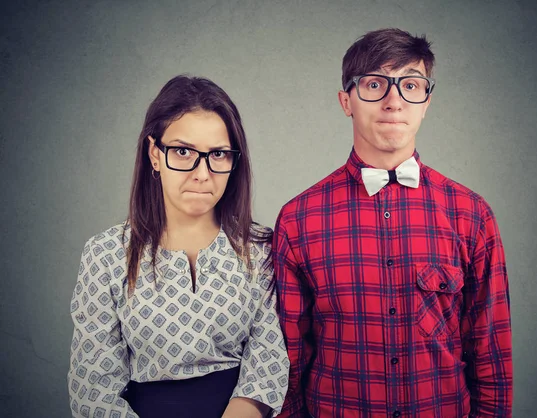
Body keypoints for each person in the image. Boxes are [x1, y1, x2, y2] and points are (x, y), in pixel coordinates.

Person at [273, 28, 512, 417]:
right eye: (374, 84)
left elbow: (491, 354)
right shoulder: (298, 219)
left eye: (411, 85)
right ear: (345, 101)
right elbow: (287, 362)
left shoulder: (471, 214)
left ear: (426, 102)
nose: (393, 101)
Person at [67, 75, 289, 418]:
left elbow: (268, 360)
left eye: (218, 154)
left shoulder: (260, 249)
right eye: (183, 152)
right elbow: (92, 387)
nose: (202, 173)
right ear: (155, 154)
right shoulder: (106, 254)